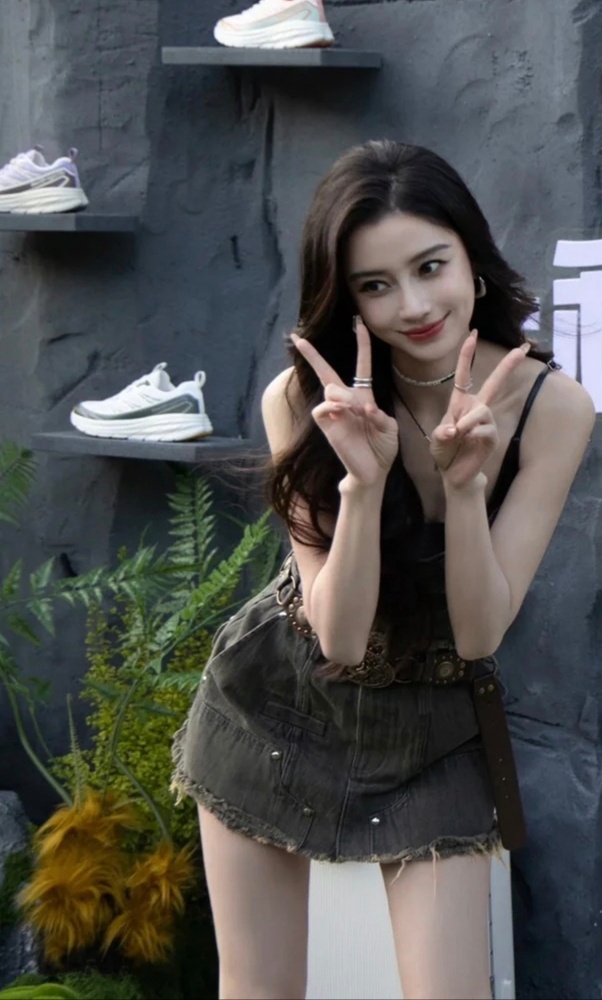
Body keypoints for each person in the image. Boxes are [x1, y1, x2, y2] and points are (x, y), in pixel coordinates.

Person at [171, 140, 595, 1000]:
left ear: (471, 258)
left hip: (435, 722)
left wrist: (464, 489)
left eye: (430, 267)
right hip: (276, 704)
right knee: (258, 988)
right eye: (375, 285)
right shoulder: (303, 401)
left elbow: (478, 632)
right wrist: (363, 485)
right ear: (347, 298)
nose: (414, 305)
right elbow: (338, 635)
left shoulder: (554, 407)